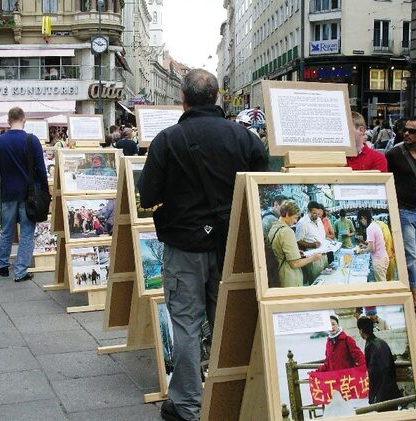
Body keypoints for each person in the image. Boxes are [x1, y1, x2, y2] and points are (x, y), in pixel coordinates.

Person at [137, 69, 269, 421]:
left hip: (184, 246)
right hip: (231, 246)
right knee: (227, 320)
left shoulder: (167, 140)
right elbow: (263, 183)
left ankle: (187, 404)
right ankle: (235, 395)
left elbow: (148, 194)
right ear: (217, 98)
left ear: (183, 99)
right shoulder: (244, 137)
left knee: (186, 323)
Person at [0, 107, 48, 282]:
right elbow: (41, 169)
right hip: (29, 195)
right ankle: (20, 271)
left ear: (8, 121)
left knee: (6, 231)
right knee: (27, 233)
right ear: (24, 119)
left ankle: (2, 266)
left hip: (7, 192)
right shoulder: (32, 140)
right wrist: (45, 190)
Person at [386, 117, 416, 316]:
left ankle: (398, 286)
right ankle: (414, 294)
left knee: (408, 253)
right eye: (405, 130)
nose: (407, 134)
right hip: (402, 210)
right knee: (410, 254)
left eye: (412, 131)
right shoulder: (394, 154)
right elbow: (382, 177)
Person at [268, 200, 322, 287]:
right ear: (287, 214)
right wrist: (313, 258)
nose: (296, 221)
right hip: (289, 277)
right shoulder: (287, 231)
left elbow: (281, 251)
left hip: (279, 272)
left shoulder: (274, 227)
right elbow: (294, 263)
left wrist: (296, 253)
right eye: (295, 217)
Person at [357, 316, 401, 408]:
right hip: (392, 389)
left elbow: (374, 374)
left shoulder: (370, 346)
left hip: (382, 393)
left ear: (361, 331)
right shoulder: (381, 342)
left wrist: (372, 397)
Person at [296, 201, 327, 283]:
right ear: (308, 211)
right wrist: (312, 245)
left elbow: (321, 236)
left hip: (324, 254)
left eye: (318, 213)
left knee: (326, 280)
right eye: (314, 213)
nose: (316, 216)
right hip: (313, 257)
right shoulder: (302, 223)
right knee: (316, 281)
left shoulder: (319, 220)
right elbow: (297, 241)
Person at [357, 209, 389, 283]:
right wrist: (365, 246)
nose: (361, 222)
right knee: (383, 281)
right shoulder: (374, 225)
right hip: (383, 257)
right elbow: (374, 244)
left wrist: (361, 251)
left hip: (379, 260)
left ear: (363, 218)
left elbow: (371, 249)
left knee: (382, 285)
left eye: (360, 220)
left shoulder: (370, 228)